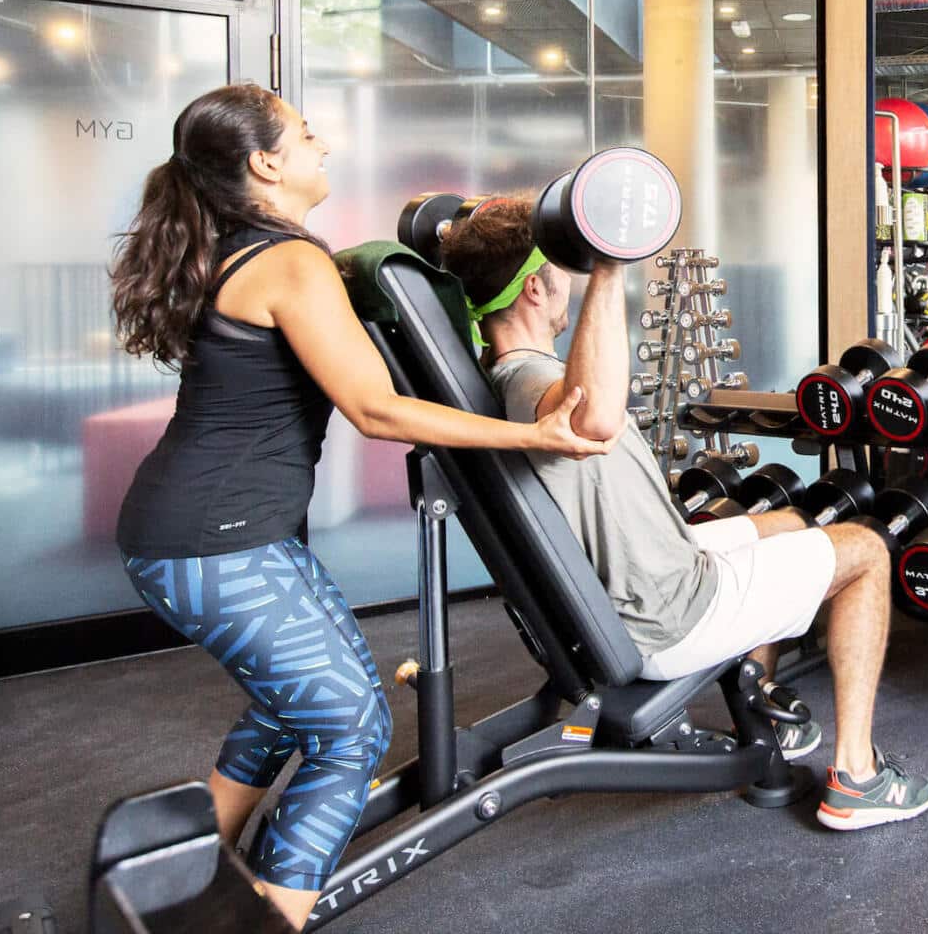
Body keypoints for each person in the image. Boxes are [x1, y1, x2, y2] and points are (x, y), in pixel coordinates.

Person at [109, 85, 612, 930]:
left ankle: (194, 871)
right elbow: (373, 409)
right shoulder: (287, 262)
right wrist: (534, 437)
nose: (324, 147)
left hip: (219, 534)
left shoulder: (249, 248)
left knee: (288, 709)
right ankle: (273, 913)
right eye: (306, 136)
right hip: (212, 545)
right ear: (265, 163)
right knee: (350, 729)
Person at [441, 199, 928, 832]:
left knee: (786, 521)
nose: (569, 277)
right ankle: (858, 778)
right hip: (668, 610)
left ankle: (761, 707)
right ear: (537, 287)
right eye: (561, 266)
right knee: (866, 551)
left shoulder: (504, 375)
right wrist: (610, 266)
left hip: (663, 565)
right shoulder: (530, 381)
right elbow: (590, 419)